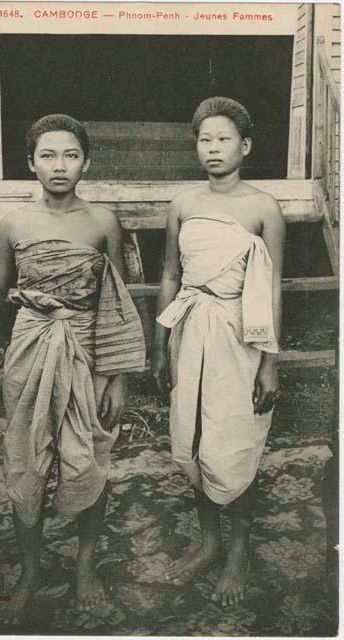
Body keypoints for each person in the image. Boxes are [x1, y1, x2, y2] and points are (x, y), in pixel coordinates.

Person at [0, 114, 145, 624]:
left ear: (87, 161)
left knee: (88, 462)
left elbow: (118, 303)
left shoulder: (103, 221)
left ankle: (84, 568)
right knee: (26, 462)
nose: (60, 165)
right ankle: (31, 573)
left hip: (85, 351)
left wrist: (115, 375)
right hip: (30, 349)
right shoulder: (15, 223)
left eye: (71, 155)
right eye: (48, 156)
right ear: (30, 163)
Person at [152, 97, 285, 607]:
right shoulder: (183, 204)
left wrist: (270, 362)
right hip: (190, 332)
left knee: (233, 443)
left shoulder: (263, 208)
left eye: (224, 138)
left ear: (245, 146)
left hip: (240, 337)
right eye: (205, 139)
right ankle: (209, 542)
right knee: (196, 436)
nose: (213, 148)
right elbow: (168, 275)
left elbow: (273, 291)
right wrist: (159, 348)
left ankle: (238, 552)